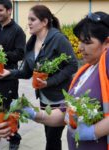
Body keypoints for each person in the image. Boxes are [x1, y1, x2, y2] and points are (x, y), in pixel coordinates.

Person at [14, 11, 109, 150]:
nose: (80, 47)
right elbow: (62, 115)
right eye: (80, 41)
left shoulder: (106, 64)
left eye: (87, 42)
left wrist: (94, 132)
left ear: (107, 42)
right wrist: (34, 114)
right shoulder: (86, 71)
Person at [0, 5, 78, 150]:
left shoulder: (58, 39)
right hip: (44, 97)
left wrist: (49, 81)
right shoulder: (31, 42)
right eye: (28, 19)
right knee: (49, 135)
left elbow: (73, 65)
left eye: (33, 19)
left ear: (44, 22)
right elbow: (27, 72)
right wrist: (10, 73)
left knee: (53, 137)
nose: (29, 23)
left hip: (60, 97)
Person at [0, 0, 26, 149]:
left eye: (0, 10)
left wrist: (0, 54)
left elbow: (20, 53)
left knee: (10, 109)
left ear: (9, 11)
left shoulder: (17, 31)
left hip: (8, 77)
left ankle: (14, 139)